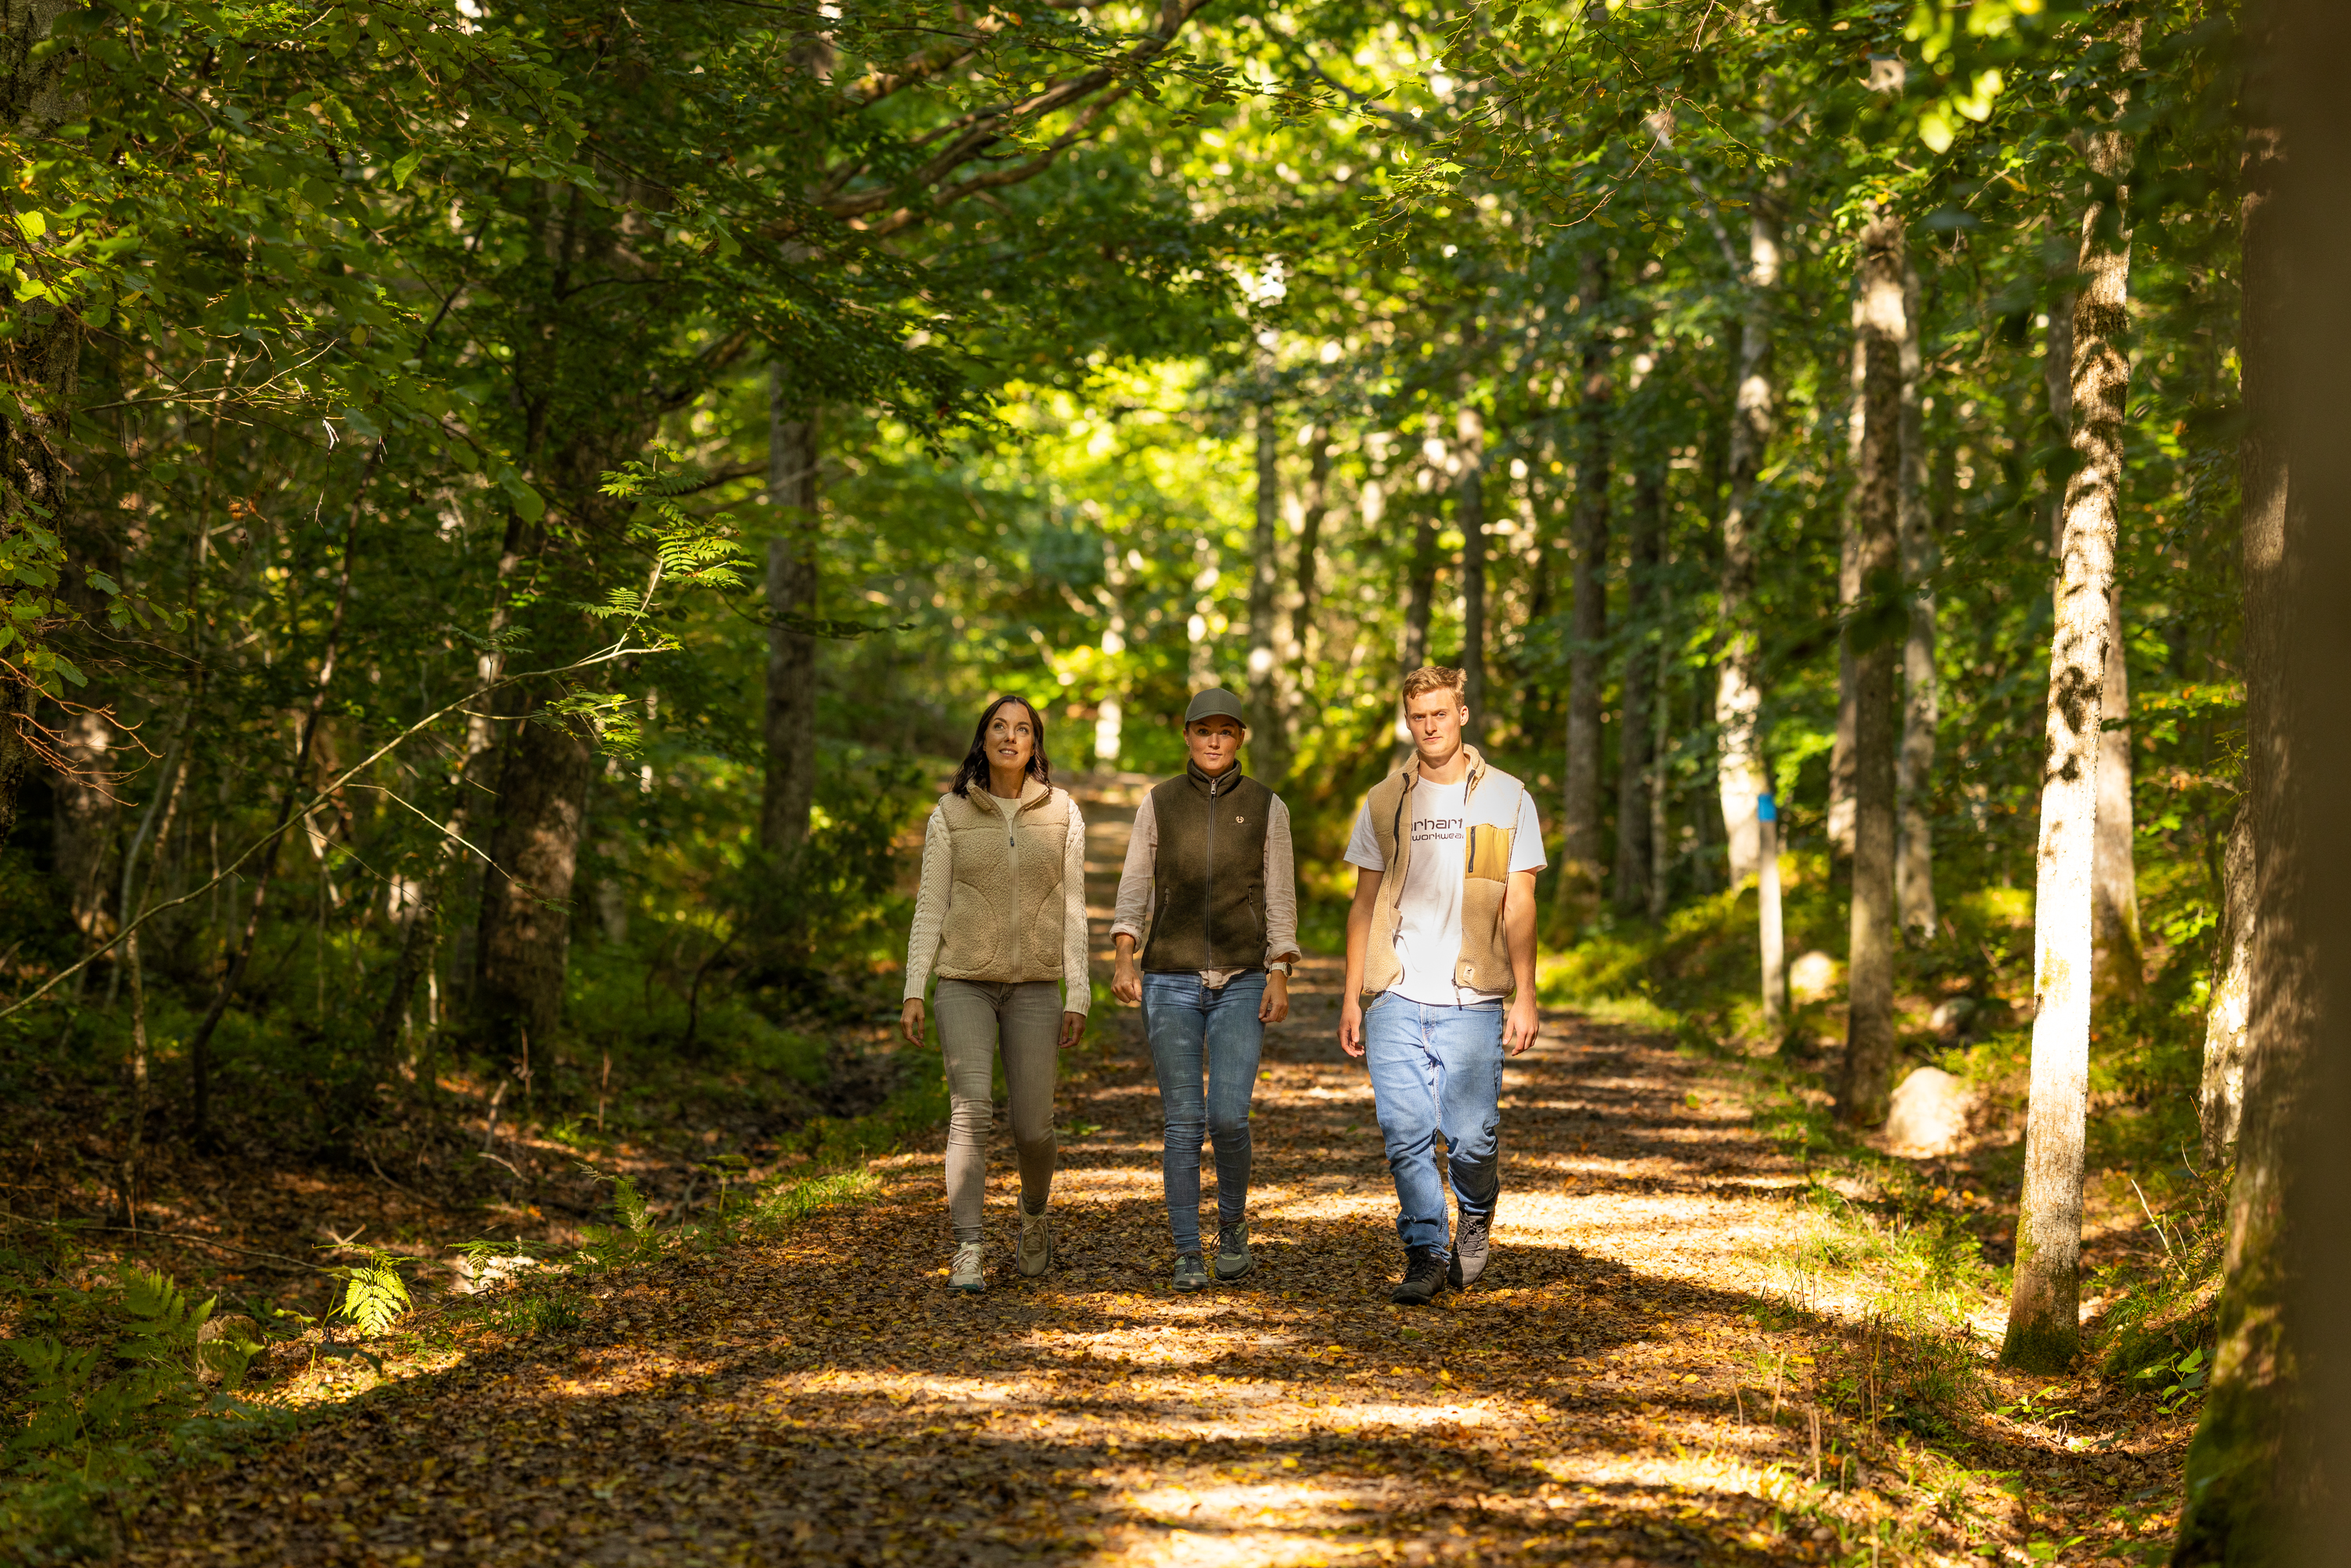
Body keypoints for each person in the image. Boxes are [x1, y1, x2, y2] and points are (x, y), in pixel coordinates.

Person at [1338, 666, 1545, 1305]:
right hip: (1396, 993)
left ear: (1461, 714)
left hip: (1473, 999)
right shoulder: (1385, 800)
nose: (1430, 726)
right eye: (1418, 716)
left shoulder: (1506, 797)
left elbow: (1520, 900)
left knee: (1472, 1137)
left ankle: (1476, 1211)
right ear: (1409, 721)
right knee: (1405, 1134)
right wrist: (1352, 994)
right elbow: (1362, 903)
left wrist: (1527, 994)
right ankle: (1425, 1249)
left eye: (1440, 714)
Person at [1110, 688, 1301, 1292]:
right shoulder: (1159, 802)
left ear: (1241, 736)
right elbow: (1136, 883)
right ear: (1187, 735)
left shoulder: (1268, 806)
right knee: (1183, 1120)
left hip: (1244, 980)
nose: (1213, 740)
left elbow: (1279, 896)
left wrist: (1280, 969)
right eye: (1202, 730)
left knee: (1228, 1116)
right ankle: (1188, 1249)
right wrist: (1124, 954)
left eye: (1225, 730)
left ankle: (1234, 1228)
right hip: (1169, 979)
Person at [901, 695, 1089, 1294]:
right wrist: (914, 986)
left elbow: (1077, 909)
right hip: (964, 982)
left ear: (1036, 744)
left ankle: (1033, 1214)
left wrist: (1078, 990)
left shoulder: (1062, 812)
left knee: (1033, 1127)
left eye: (1023, 729)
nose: (1010, 737)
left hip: (1035, 985)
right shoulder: (950, 813)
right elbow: (930, 905)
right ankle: (969, 1246)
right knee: (971, 1110)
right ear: (983, 739)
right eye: (999, 727)